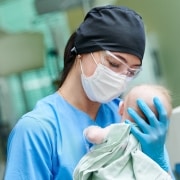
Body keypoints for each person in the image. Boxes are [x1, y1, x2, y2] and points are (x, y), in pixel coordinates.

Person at [4, 5, 173, 180]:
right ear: (83, 52)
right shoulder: (37, 131)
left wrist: (158, 161)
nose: (120, 78)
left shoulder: (129, 115)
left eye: (131, 72)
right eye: (114, 64)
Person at [73, 84, 172, 179]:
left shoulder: (121, 131)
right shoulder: (154, 146)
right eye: (115, 65)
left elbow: (94, 136)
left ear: (121, 108)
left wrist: (88, 131)